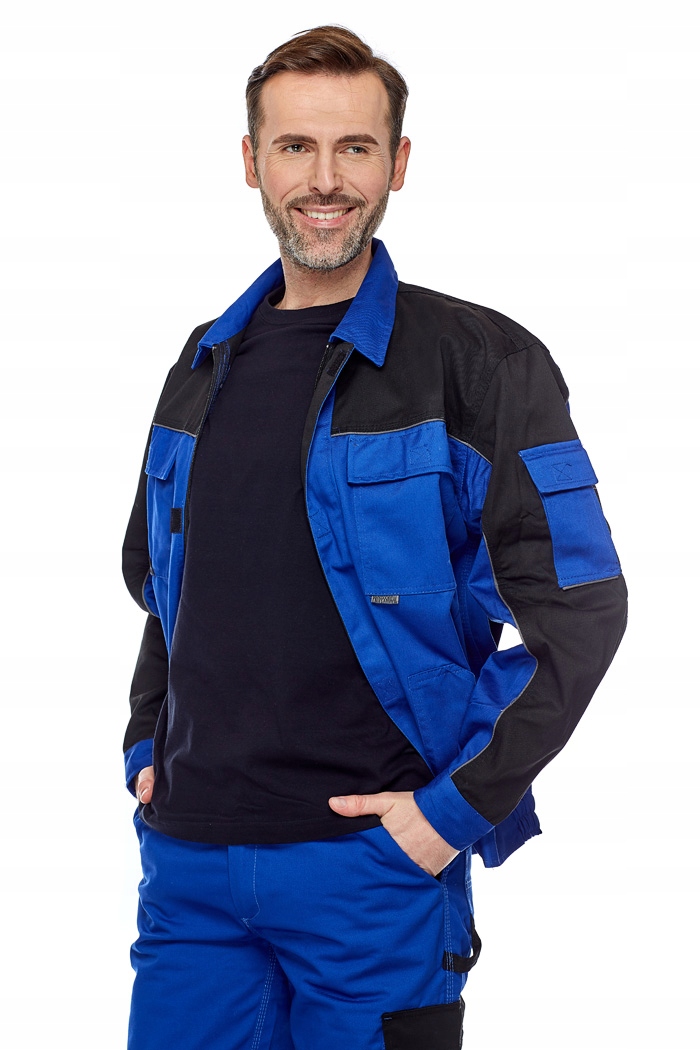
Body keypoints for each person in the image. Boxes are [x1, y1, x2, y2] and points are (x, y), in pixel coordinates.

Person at [122, 25, 627, 1050]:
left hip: (371, 875)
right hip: (189, 871)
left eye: (354, 147)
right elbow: (169, 585)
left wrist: (451, 812)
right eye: (295, 146)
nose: (325, 179)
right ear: (252, 161)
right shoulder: (201, 362)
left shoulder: (479, 362)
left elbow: (580, 609)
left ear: (396, 163)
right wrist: (145, 744)